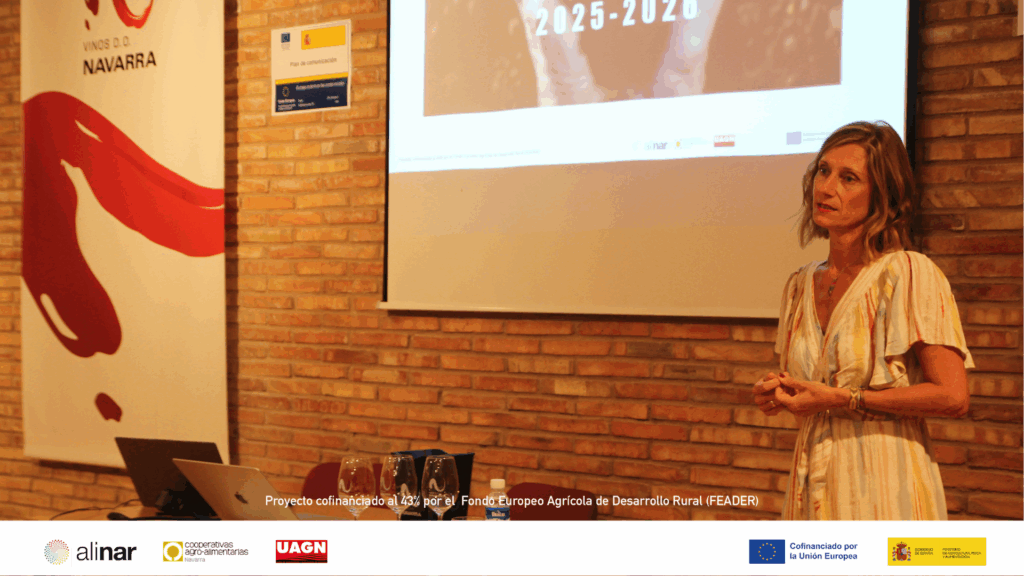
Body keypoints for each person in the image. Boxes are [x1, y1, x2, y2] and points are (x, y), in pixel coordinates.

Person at [753, 121, 973, 520]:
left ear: (883, 196)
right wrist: (782, 393)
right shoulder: (799, 284)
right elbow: (815, 392)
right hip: (812, 481)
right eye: (823, 171)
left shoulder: (909, 272)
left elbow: (953, 396)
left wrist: (847, 398)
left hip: (886, 486)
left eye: (848, 178)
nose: (825, 188)